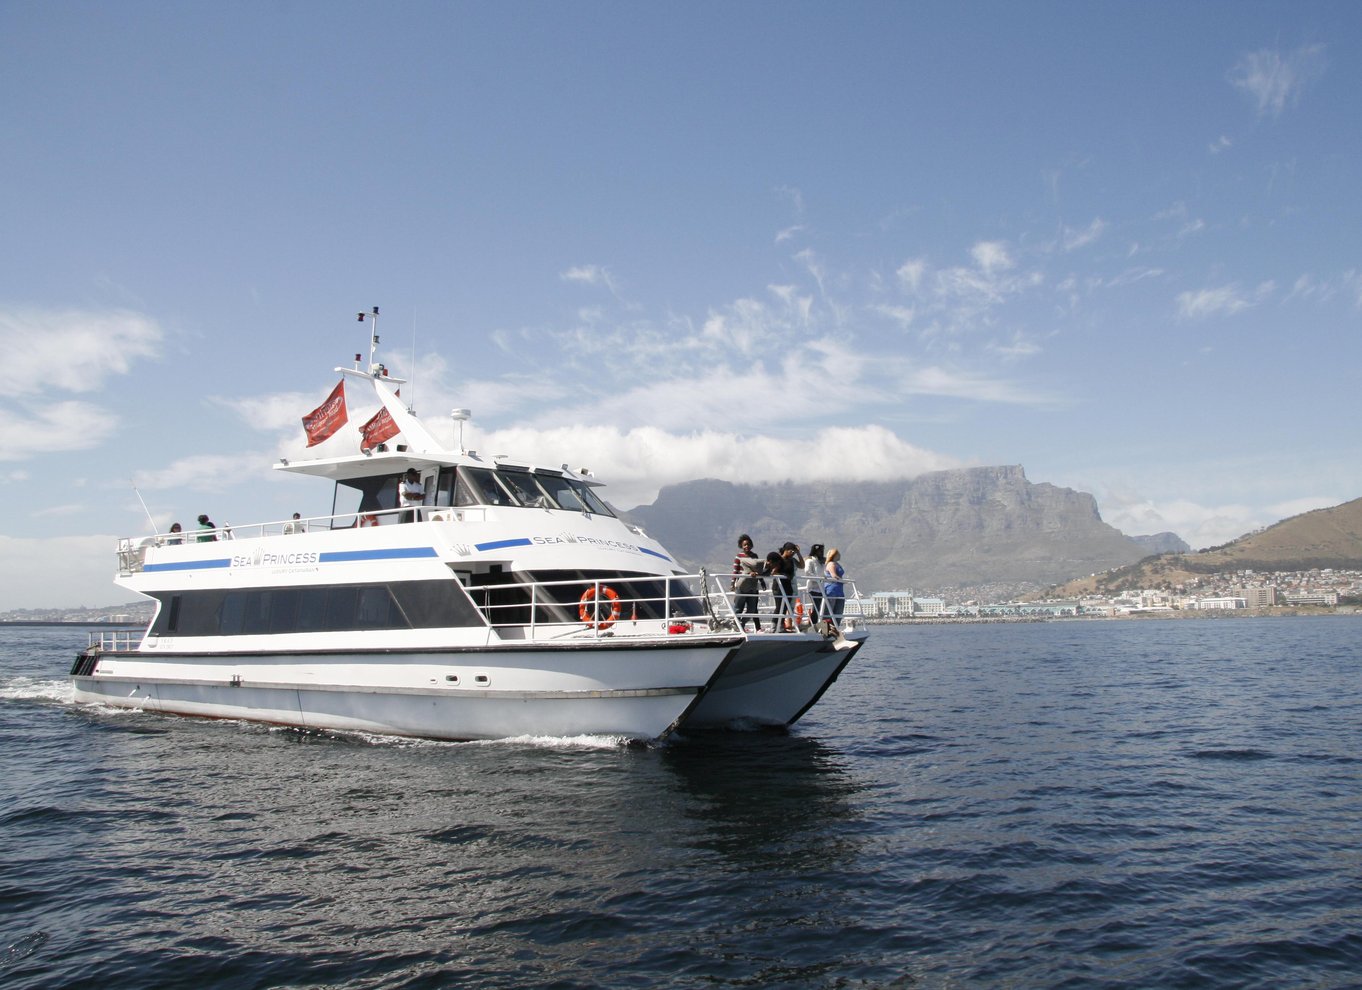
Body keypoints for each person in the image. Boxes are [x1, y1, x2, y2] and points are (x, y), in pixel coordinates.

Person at [731, 533, 762, 631]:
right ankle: (736, 626)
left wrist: (761, 580)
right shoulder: (739, 556)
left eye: (748, 544)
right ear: (741, 546)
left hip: (752, 585)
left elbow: (759, 569)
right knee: (738, 607)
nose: (747, 546)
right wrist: (732, 583)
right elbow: (735, 570)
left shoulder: (754, 556)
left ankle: (742, 623)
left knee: (752, 609)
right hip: (742, 585)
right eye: (745, 545)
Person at [770, 542, 801, 631]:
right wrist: (781, 574)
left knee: (785, 607)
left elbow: (801, 566)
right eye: (791, 551)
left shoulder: (792, 561)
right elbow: (773, 571)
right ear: (786, 550)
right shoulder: (779, 560)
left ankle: (781, 626)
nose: (792, 553)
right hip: (778, 587)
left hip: (788, 587)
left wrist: (798, 553)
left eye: (794, 552)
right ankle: (774, 626)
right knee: (779, 607)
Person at [823, 547, 846, 629]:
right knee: (829, 609)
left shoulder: (837, 564)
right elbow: (834, 575)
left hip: (839, 590)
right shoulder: (831, 564)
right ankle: (826, 628)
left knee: (838, 610)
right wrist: (843, 581)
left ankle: (835, 627)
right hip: (832, 589)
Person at [804, 543, 826, 621]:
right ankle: (813, 623)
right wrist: (818, 579)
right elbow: (807, 572)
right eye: (820, 551)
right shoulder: (810, 561)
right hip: (813, 588)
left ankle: (814, 622)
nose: (822, 553)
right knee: (816, 606)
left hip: (820, 588)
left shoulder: (821, 562)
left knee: (819, 607)